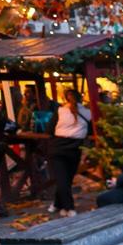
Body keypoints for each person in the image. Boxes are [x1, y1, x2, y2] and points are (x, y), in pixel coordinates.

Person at [47, 89, 91, 217]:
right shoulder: (88, 113)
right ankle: (62, 205)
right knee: (66, 179)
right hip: (75, 148)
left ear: (66, 99)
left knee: (62, 179)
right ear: (81, 98)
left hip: (57, 147)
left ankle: (64, 206)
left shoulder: (60, 111)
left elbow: (49, 130)